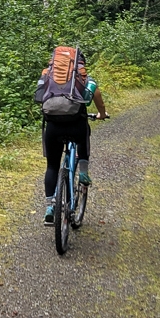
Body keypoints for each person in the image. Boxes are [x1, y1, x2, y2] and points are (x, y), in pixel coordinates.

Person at [36, 49, 107, 225]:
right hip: (76, 124)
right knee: (84, 132)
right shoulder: (82, 76)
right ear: (79, 62)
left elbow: (39, 96)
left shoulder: (47, 75)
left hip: (53, 126)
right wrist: (102, 114)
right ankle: (83, 173)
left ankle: (50, 206)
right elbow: (95, 94)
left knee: (52, 166)